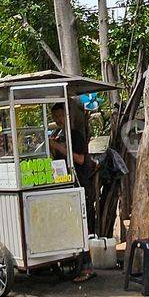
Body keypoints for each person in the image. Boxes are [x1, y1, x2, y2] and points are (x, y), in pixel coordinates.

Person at [49, 103, 98, 282]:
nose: (57, 121)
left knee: (82, 227)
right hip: (65, 186)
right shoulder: (59, 135)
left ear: (66, 115)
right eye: (54, 118)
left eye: (60, 117)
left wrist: (58, 146)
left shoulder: (75, 136)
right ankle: (74, 263)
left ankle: (87, 267)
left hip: (80, 186)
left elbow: (79, 159)